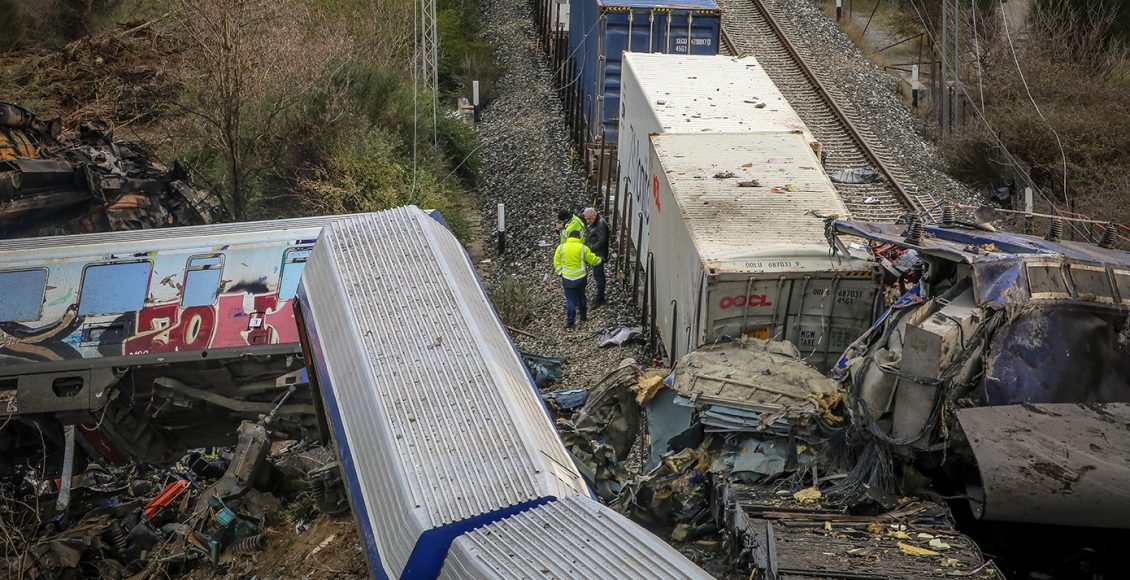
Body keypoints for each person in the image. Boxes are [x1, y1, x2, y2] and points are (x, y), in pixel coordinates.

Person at [553, 229, 601, 328]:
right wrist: (600, 260)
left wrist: (559, 272)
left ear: (569, 237)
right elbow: (592, 260)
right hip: (580, 278)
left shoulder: (561, 247)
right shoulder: (583, 248)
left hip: (567, 278)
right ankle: (583, 317)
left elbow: (556, 261)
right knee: (581, 297)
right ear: (578, 237)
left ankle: (571, 322)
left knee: (570, 300)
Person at [583, 207, 610, 306]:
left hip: (599, 255)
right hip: (596, 253)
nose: (588, 221)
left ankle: (600, 298)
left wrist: (590, 248)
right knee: (597, 276)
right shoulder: (597, 222)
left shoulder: (600, 224)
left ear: (594, 215)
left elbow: (602, 240)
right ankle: (599, 297)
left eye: (589, 219)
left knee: (599, 276)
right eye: (586, 219)